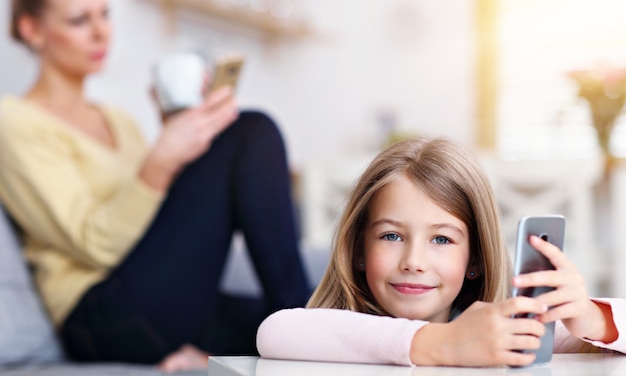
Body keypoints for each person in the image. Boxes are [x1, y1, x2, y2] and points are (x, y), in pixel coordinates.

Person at [0, 0, 311, 371]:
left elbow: (156, 224)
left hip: (161, 300)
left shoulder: (120, 121)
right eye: (79, 20)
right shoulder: (13, 122)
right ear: (31, 30)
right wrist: (162, 159)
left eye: (105, 14)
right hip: (100, 315)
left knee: (291, 324)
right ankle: (311, 330)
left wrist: (182, 149)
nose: (101, 32)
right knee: (251, 131)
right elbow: (97, 244)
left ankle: (229, 350)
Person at [257, 137, 626, 367]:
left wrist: (594, 319)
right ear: (358, 250)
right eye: (390, 236)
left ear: (475, 260)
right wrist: (445, 344)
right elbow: (275, 331)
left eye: (441, 240)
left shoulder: (502, 333)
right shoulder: (327, 334)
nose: (414, 262)